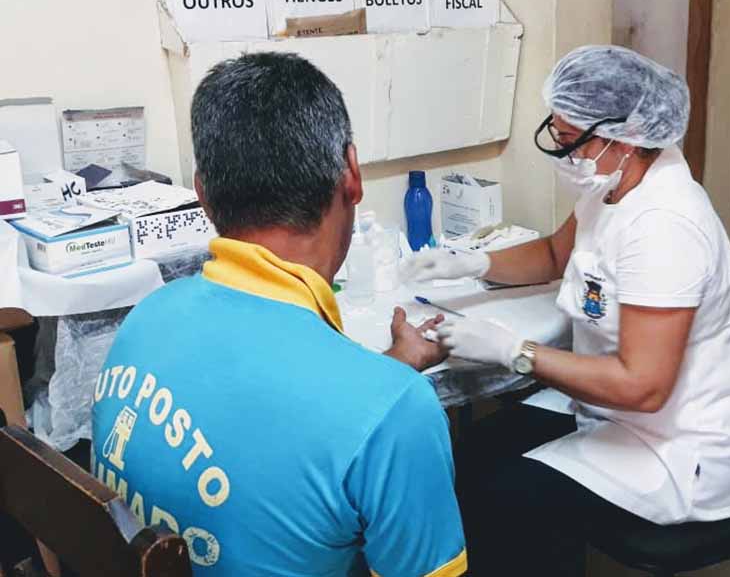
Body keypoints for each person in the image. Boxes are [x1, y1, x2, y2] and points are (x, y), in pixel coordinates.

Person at [401, 45, 730, 575]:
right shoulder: (615, 185)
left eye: (568, 140)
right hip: (614, 411)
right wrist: (470, 261)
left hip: (682, 450)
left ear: (621, 137)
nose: (562, 154)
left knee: (499, 497)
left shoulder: (665, 227)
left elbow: (642, 386)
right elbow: (557, 254)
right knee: (470, 455)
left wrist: (515, 351)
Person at [91, 52, 467, 577]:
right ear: (352, 175)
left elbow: (270, 434)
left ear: (202, 192)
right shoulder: (397, 414)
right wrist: (390, 391)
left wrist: (391, 369)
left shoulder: (148, 319)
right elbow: (328, 425)